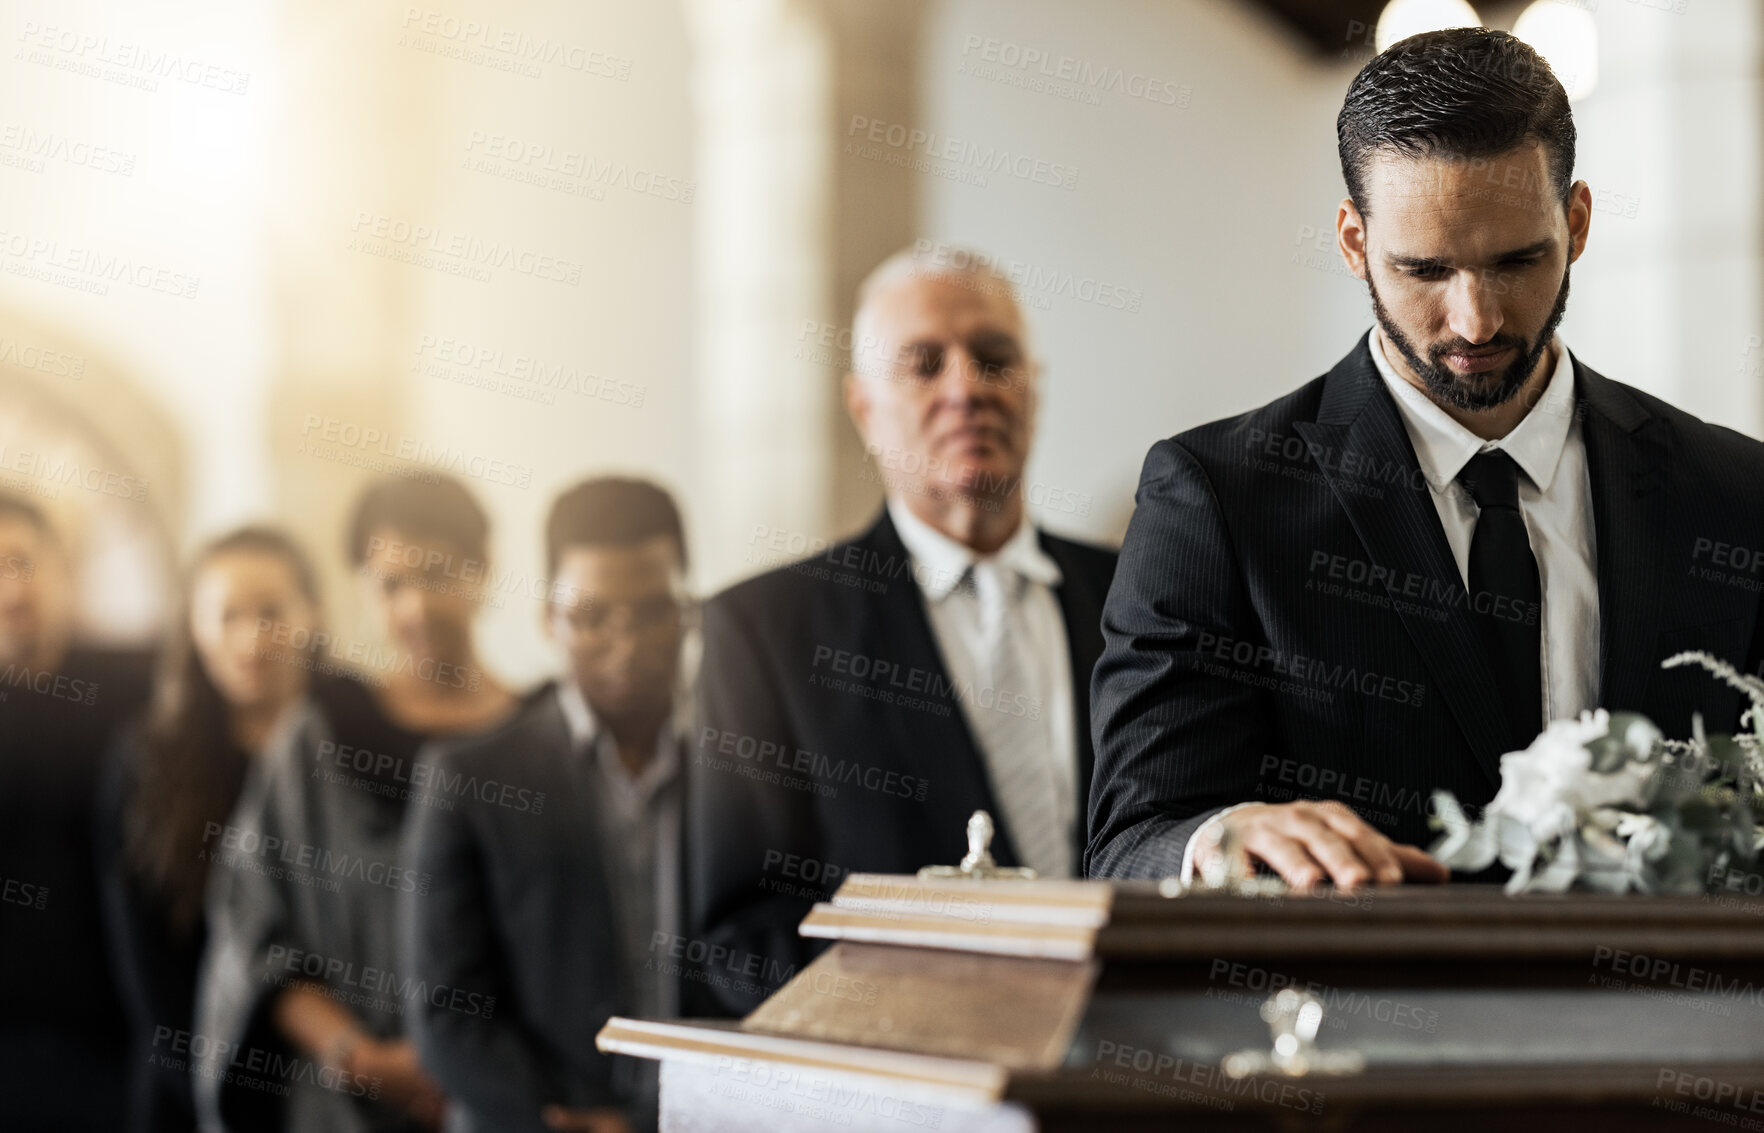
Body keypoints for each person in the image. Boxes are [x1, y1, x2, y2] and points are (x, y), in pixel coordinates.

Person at [1088, 28, 1764, 891]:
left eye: (1518, 261)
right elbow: (1134, 837)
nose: (1476, 321)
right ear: (1352, 241)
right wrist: (1225, 836)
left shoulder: (1737, 498)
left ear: (1580, 222)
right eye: (1424, 269)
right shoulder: (1217, 499)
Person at [690, 247, 1119, 1014]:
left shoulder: (1137, 595)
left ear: (1033, 387)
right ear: (864, 407)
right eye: (924, 364)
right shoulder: (765, 630)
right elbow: (741, 928)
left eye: (994, 358)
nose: (967, 388)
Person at [195, 476, 523, 1132]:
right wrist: (363, 1056)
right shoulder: (318, 738)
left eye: (437, 574)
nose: (416, 606)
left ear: (482, 571)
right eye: (390, 584)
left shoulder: (538, 742)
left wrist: (466, 1067)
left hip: (506, 1101)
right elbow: (252, 927)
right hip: (342, 1106)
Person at [401, 477, 693, 1133]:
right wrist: (558, 1119)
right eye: (592, 616)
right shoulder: (468, 778)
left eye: (651, 611)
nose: (626, 642)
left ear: (687, 611)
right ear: (549, 618)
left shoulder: (740, 774)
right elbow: (446, 1011)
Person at [98, 529, 326, 1133]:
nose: (252, 639)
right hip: (190, 1086)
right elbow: (145, 965)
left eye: (272, 612)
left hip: (340, 1085)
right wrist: (213, 1093)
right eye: (227, 616)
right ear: (194, 629)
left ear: (314, 614)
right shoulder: (151, 762)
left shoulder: (354, 747)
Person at [0, 494, 152, 1131]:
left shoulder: (140, 684)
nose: (11, 589)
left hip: (118, 1039)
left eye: (21, 562)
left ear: (63, 568)